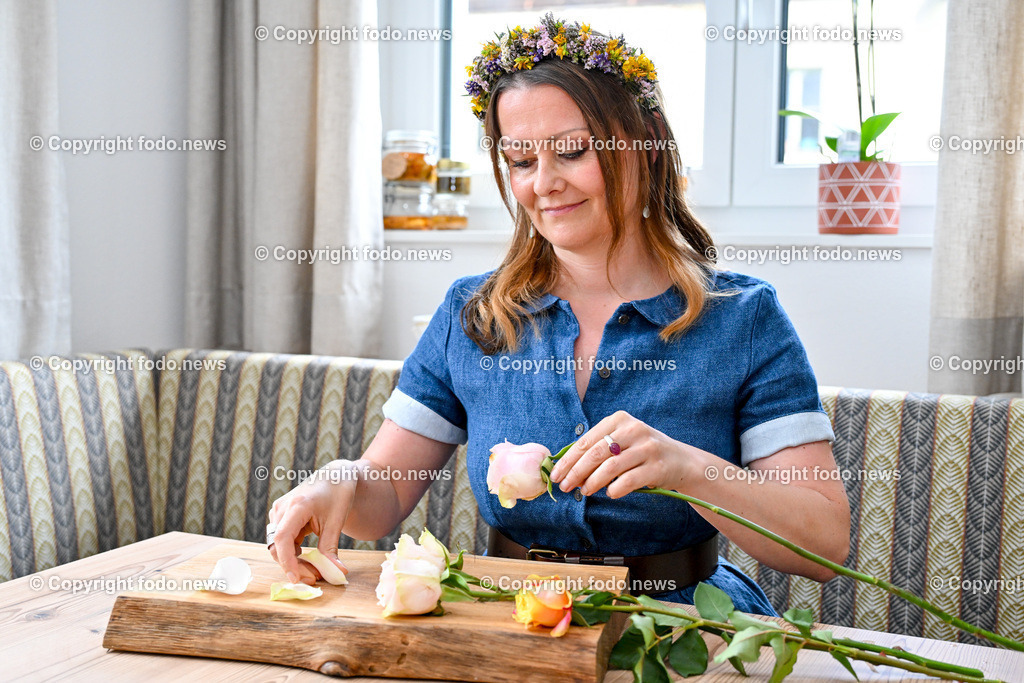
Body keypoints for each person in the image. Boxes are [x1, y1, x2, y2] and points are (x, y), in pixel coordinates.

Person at [268, 15, 851, 616]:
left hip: (688, 629)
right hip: (507, 626)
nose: (544, 183)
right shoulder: (471, 316)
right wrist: (340, 480)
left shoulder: (743, 320)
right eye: (521, 161)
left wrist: (688, 470)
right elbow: (383, 497)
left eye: (572, 152)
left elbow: (823, 545)